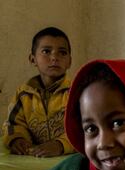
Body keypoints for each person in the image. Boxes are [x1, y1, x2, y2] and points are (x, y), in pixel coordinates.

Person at [2, 27, 74, 157]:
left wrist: (60, 145)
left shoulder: (77, 92)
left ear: (69, 61)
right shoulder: (23, 94)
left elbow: (84, 129)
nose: (54, 58)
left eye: (62, 53)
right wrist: (17, 139)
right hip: (35, 161)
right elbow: (13, 124)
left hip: (68, 160)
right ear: (32, 59)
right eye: (46, 51)